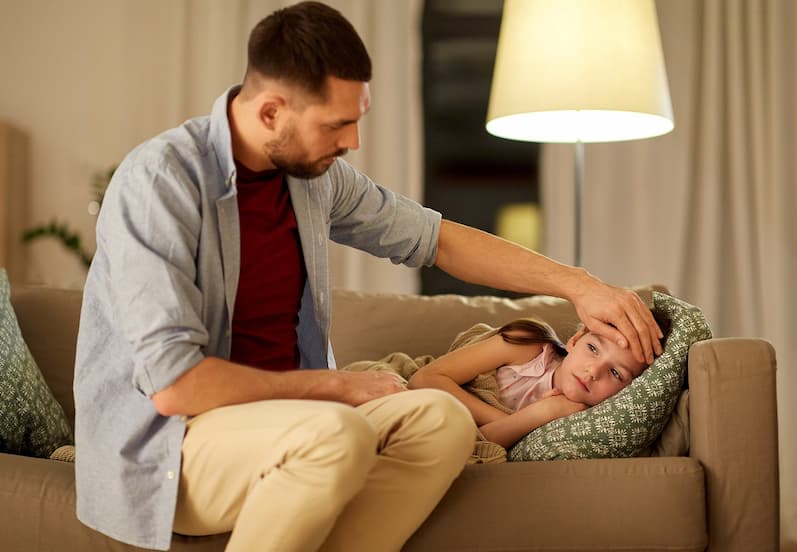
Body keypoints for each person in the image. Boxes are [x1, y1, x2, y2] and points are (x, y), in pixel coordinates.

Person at [73, 2, 664, 551]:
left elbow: (437, 239)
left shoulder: (314, 177)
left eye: (356, 120)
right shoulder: (161, 183)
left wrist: (578, 284)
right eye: (336, 125)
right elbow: (176, 386)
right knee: (335, 433)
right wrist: (336, 387)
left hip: (294, 420)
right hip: (176, 443)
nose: (352, 142)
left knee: (442, 422)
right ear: (272, 111)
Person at [409, 315, 670, 449]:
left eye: (616, 374)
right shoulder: (529, 345)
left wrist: (543, 415)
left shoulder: (582, 423)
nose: (593, 371)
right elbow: (424, 379)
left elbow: (473, 444)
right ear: (576, 339)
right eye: (593, 348)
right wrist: (532, 416)